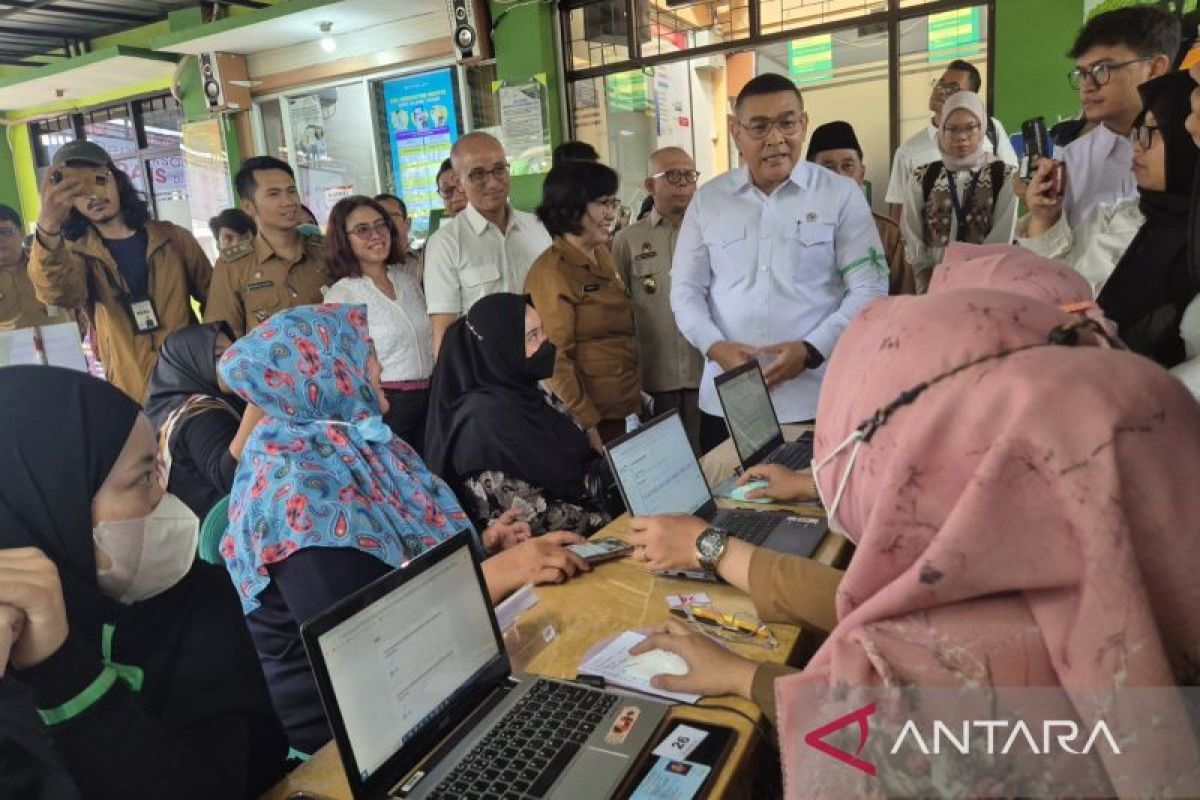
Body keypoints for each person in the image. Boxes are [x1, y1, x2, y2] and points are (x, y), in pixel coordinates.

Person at [624, 288, 1200, 794]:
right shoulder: (1111, 518)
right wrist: (716, 549)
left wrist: (738, 675)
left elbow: (867, 724)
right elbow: (867, 604)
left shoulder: (976, 662)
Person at [218, 303, 590, 753]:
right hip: (356, 738)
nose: (380, 367)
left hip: (439, 668)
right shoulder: (294, 494)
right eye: (366, 354)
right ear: (320, 374)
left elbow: (395, 557)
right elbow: (369, 640)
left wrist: (488, 547)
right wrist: (499, 573)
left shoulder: (353, 442)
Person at [0, 367, 287, 799]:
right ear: (55, 503)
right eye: (143, 479)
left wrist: (63, 670)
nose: (164, 498)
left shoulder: (195, 597)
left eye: (158, 471)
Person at [671, 72, 888, 453]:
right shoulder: (709, 201)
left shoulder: (840, 196)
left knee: (811, 508)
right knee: (726, 508)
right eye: (759, 127)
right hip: (727, 401)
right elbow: (686, 290)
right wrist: (715, 346)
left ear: (803, 123)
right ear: (737, 132)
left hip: (815, 397)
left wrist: (811, 349)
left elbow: (870, 289)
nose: (776, 139)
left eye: (787, 123)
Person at [1018, 70, 1199, 367]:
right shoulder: (1120, 213)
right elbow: (1052, 283)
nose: (1138, 145)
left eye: (1153, 132)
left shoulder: (1193, 246)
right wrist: (1043, 218)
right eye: (1137, 132)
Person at [28, 141, 211, 402]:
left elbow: (215, 300)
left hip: (193, 383)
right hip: (129, 391)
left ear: (118, 181)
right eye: (77, 191)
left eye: (98, 181)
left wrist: (211, 355)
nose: (93, 196)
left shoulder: (173, 239)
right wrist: (47, 227)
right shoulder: (75, 254)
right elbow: (60, 294)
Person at [425, 293, 613, 535]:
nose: (545, 342)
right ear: (500, 350)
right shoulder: (481, 427)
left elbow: (581, 442)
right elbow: (528, 518)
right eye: (532, 337)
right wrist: (609, 518)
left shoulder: (527, 388)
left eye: (542, 330)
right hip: (547, 551)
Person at [525, 160, 639, 446]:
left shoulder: (600, 253)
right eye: (602, 203)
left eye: (613, 202)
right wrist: (588, 425)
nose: (611, 213)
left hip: (623, 408)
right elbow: (554, 361)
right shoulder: (552, 272)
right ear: (572, 206)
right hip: (594, 423)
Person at [611, 147, 705, 452]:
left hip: (706, 372)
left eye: (688, 175)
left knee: (714, 461)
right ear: (650, 185)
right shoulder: (628, 241)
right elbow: (618, 308)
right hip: (654, 376)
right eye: (672, 175)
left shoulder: (711, 231)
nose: (682, 183)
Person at [425, 132, 551, 357]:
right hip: (485, 379)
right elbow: (443, 332)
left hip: (542, 369)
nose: (492, 183)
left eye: (499, 170)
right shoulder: (445, 245)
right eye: (478, 174)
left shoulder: (538, 229)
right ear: (458, 180)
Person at [324, 196, 433, 452]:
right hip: (387, 407)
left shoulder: (406, 280)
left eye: (381, 225)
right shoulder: (341, 296)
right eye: (362, 230)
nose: (375, 235)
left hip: (431, 398)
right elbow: (343, 370)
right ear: (343, 238)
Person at [1053, 6, 1180, 228]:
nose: (1087, 86)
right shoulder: (1073, 158)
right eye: (1082, 73)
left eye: (1102, 69)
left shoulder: (1187, 158)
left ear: (1154, 69)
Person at [900, 91, 1018, 292]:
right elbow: (912, 230)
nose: (962, 137)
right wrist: (925, 274)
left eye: (970, 128)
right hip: (933, 284)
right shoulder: (922, 176)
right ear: (941, 131)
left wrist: (972, 278)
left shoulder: (1004, 176)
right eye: (952, 129)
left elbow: (1002, 237)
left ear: (982, 128)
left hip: (986, 284)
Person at [144, 322, 259, 520]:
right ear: (192, 363)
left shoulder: (167, 409)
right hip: (222, 533)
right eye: (217, 356)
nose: (231, 361)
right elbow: (227, 477)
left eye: (234, 351)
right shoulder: (200, 415)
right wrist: (259, 405)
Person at [205, 156, 330, 338]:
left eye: (291, 191)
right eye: (274, 194)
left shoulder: (327, 250)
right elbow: (223, 338)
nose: (288, 201)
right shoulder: (232, 266)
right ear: (249, 207)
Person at [885, 59, 1017, 224]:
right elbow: (897, 217)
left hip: (985, 241)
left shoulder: (991, 130)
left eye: (952, 88)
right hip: (936, 243)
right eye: (940, 84)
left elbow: (1012, 185)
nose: (941, 91)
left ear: (970, 98)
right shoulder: (908, 152)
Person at [807, 121, 913, 295]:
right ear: (810, 175)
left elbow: (903, 298)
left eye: (848, 166)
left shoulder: (888, 234)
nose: (839, 176)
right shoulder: (791, 227)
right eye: (828, 168)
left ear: (861, 173)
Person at [0, 203, 73, 331]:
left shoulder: (47, 265)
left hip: (61, 343)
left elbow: (73, 295)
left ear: (21, 232)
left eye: (5, 232)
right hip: (12, 349)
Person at [373, 192, 423, 283]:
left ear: (407, 223)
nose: (384, 225)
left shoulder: (425, 260)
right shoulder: (363, 268)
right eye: (378, 221)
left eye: (390, 217)